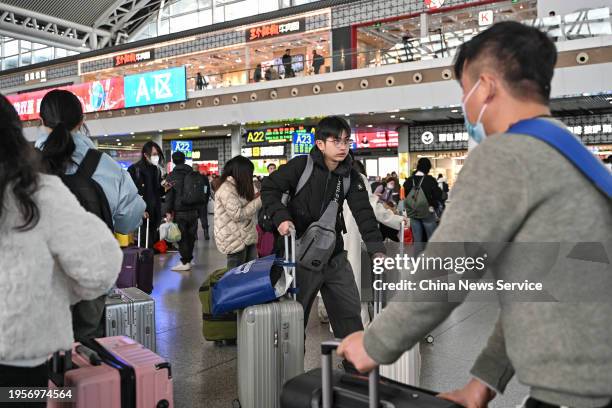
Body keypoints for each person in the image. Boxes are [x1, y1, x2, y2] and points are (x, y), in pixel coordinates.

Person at [338, 21, 612, 408]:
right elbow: (540, 291)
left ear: (486, 86)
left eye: (465, 91)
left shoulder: (507, 154)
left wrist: (374, 343)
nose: (467, 104)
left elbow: (448, 266)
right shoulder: (574, 154)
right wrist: (483, 382)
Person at [0, 93, 122, 399]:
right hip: (20, 359)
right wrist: (54, 290)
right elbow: (101, 269)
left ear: (41, 123)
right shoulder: (36, 192)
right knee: (51, 394)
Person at [261, 116, 386, 350]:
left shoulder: (351, 176)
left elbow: (364, 213)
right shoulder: (301, 166)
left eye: (346, 141)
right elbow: (269, 188)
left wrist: (376, 249)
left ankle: (357, 374)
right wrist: (282, 218)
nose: (342, 147)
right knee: (294, 320)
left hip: (334, 255)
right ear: (320, 144)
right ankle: (289, 372)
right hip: (300, 256)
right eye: (336, 141)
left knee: (350, 317)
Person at [36, 89, 145, 343]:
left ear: (41, 122)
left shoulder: (22, 164)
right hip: (90, 280)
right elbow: (129, 221)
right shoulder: (106, 167)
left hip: (36, 278)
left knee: (37, 359)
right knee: (85, 354)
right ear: (81, 121)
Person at [214, 156, 262, 268]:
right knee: (235, 275)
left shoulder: (242, 184)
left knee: (249, 270)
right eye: (250, 172)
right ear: (242, 172)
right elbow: (237, 215)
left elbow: (248, 202)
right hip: (232, 238)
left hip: (246, 233)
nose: (251, 175)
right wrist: (260, 200)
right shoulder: (226, 188)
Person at [164, 151, 202, 271]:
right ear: (184, 160)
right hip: (194, 210)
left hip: (180, 211)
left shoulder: (171, 176)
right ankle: (189, 259)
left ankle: (185, 261)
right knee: (191, 236)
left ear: (173, 161)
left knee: (182, 237)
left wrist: (168, 211)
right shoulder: (192, 172)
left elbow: (169, 195)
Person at [128, 141, 165, 248]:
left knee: (151, 243)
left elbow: (157, 191)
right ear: (145, 154)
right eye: (154, 154)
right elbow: (130, 192)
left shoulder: (156, 170)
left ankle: (148, 263)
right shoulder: (134, 169)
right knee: (143, 244)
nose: (156, 157)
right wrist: (140, 209)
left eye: (157, 154)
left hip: (154, 213)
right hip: (142, 213)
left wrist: (165, 188)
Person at [403, 158, 442, 242]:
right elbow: (438, 195)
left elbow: (406, 195)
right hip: (427, 212)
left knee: (417, 241)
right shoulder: (430, 180)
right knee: (432, 240)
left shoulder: (409, 180)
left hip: (413, 213)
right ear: (428, 167)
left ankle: (418, 255)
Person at [193, 164, 211, 240]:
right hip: (202, 201)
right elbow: (206, 188)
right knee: (204, 217)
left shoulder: (190, 177)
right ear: (198, 169)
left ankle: (195, 235)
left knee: (194, 219)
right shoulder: (204, 177)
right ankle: (206, 233)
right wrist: (205, 198)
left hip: (193, 202)